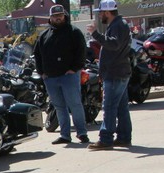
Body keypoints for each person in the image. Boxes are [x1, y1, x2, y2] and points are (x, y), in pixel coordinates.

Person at [33, 4, 90, 145]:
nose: (58, 18)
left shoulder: (74, 32)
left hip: (69, 76)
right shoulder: (44, 36)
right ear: (50, 18)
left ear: (64, 16)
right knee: (59, 107)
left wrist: (75, 68)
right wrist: (42, 72)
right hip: (51, 78)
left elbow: (81, 52)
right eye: (55, 16)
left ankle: (82, 133)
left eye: (60, 15)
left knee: (75, 104)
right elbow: (37, 55)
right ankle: (65, 135)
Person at [87, 0, 132, 150]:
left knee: (110, 107)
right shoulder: (119, 24)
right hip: (119, 72)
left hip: (115, 73)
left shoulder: (118, 25)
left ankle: (106, 139)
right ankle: (124, 137)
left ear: (107, 12)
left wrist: (95, 34)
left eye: (101, 12)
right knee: (121, 107)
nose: (100, 15)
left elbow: (114, 44)